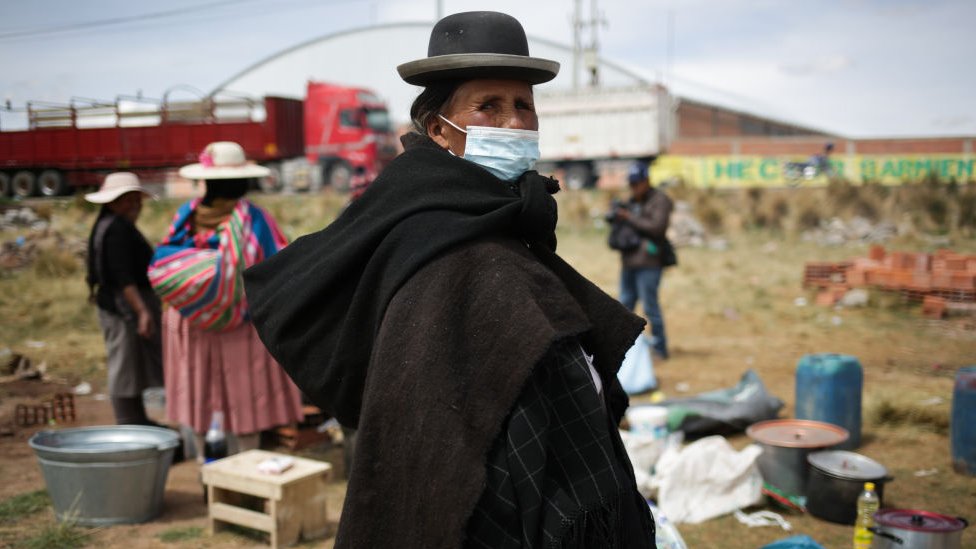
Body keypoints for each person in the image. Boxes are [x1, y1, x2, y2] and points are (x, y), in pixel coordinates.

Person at [244, 11, 656, 549]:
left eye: (523, 106)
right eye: (488, 106)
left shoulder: (494, 217)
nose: (513, 123)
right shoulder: (444, 239)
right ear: (440, 130)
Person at [148, 141, 303, 457]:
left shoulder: (186, 215)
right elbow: (278, 265)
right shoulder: (254, 219)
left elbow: (166, 256)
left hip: (191, 324)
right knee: (245, 397)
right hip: (240, 325)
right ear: (244, 180)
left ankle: (210, 470)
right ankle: (245, 467)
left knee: (201, 393)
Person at [85, 172, 164, 426]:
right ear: (112, 202)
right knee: (124, 365)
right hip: (122, 308)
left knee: (131, 364)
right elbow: (123, 277)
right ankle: (128, 422)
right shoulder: (116, 230)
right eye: (127, 200)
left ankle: (137, 419)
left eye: (136, 199)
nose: (134, 205)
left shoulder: (112, 224)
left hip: (121, 305)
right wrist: (142, 311)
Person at [612, 161, 675, 360]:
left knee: (650, 307)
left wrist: (628, 216)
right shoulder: (631, 201)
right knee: (625, 307)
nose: (634, 187)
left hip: (649, 264)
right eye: (631, 184)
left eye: (637, 183)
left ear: (647, 181)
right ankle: (622, 350)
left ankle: (660, 349)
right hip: (629, 263)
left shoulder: (660, 200)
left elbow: (657, 227)